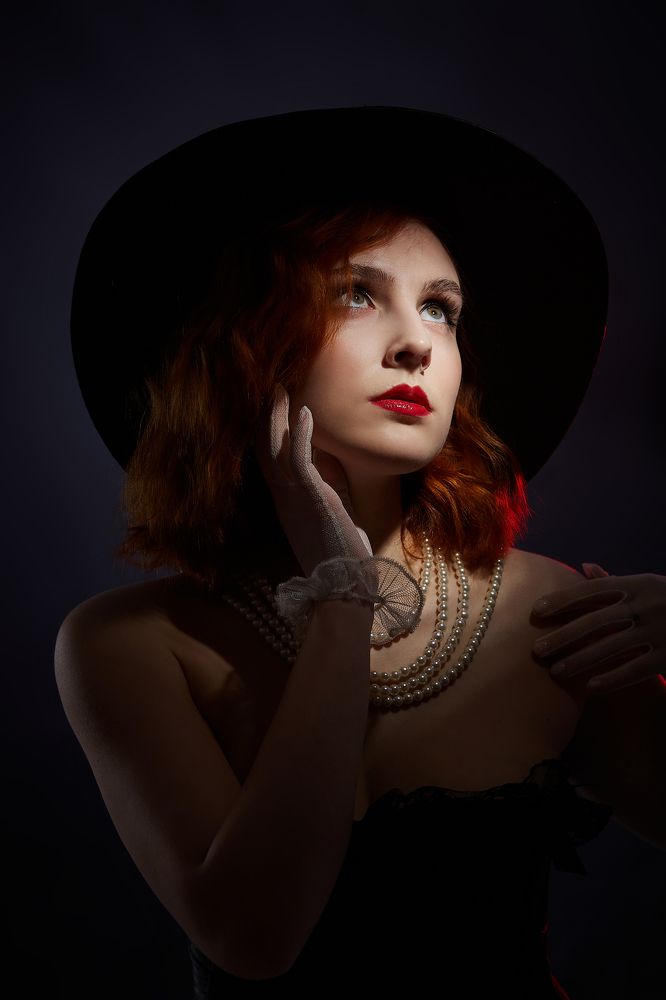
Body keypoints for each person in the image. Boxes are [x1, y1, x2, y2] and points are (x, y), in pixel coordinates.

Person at [56, 107, 666, 997]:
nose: (417, 341)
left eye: (441, 309)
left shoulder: (551, 616)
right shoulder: (127, 645)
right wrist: (341, 594)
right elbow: (254, 938)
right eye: (355, 293)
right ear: (248, 343)